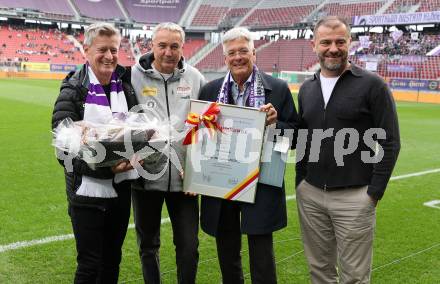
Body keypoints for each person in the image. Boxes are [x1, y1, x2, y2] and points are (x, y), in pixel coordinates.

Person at [295, 16, 401, 284]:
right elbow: (305, 138)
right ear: (314, 45)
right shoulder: (307, 88)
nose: (333, 48)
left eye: (340, 41)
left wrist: (373, 193)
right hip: (311, 195)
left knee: (354, 277)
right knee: (319, 272)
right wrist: (300, 181)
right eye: (326, 42)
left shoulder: (372, 85)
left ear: (350, 43)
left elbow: (390, 142)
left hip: (355, 198)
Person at [199, 27, 298, 284]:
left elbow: (297, 136)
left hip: (261, 179)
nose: (238, 57)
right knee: (227, 249)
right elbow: (198, 136)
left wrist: (277, 125)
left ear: (254, 53)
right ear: (225, 58)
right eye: (232, 52)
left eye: (244, 51)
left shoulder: (277, 88)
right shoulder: (210, 91)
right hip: (223, 179)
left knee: (261, 252)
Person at [51, 22, 138, 283]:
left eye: (114, 50)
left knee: (112, 260)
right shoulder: (73, 90)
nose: (109, 56)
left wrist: (140, 151)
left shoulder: (126, 87)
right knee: (89, 265)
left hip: (121, 190)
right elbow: (64, 153)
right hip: (85, 194)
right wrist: (104, 166)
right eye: (102, 50)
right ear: (86, 50)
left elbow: (135, 129)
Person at [130, 22, 205, 284]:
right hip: (145, 179)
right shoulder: (132, 76)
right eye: (162, 45)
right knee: (148, 245)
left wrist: (199, 171)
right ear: (152, 46)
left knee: (188, 246)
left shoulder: (195, 78)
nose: (168, 52)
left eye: (174, 46)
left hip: (186, 182)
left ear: (182, 48)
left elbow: (208, 125)